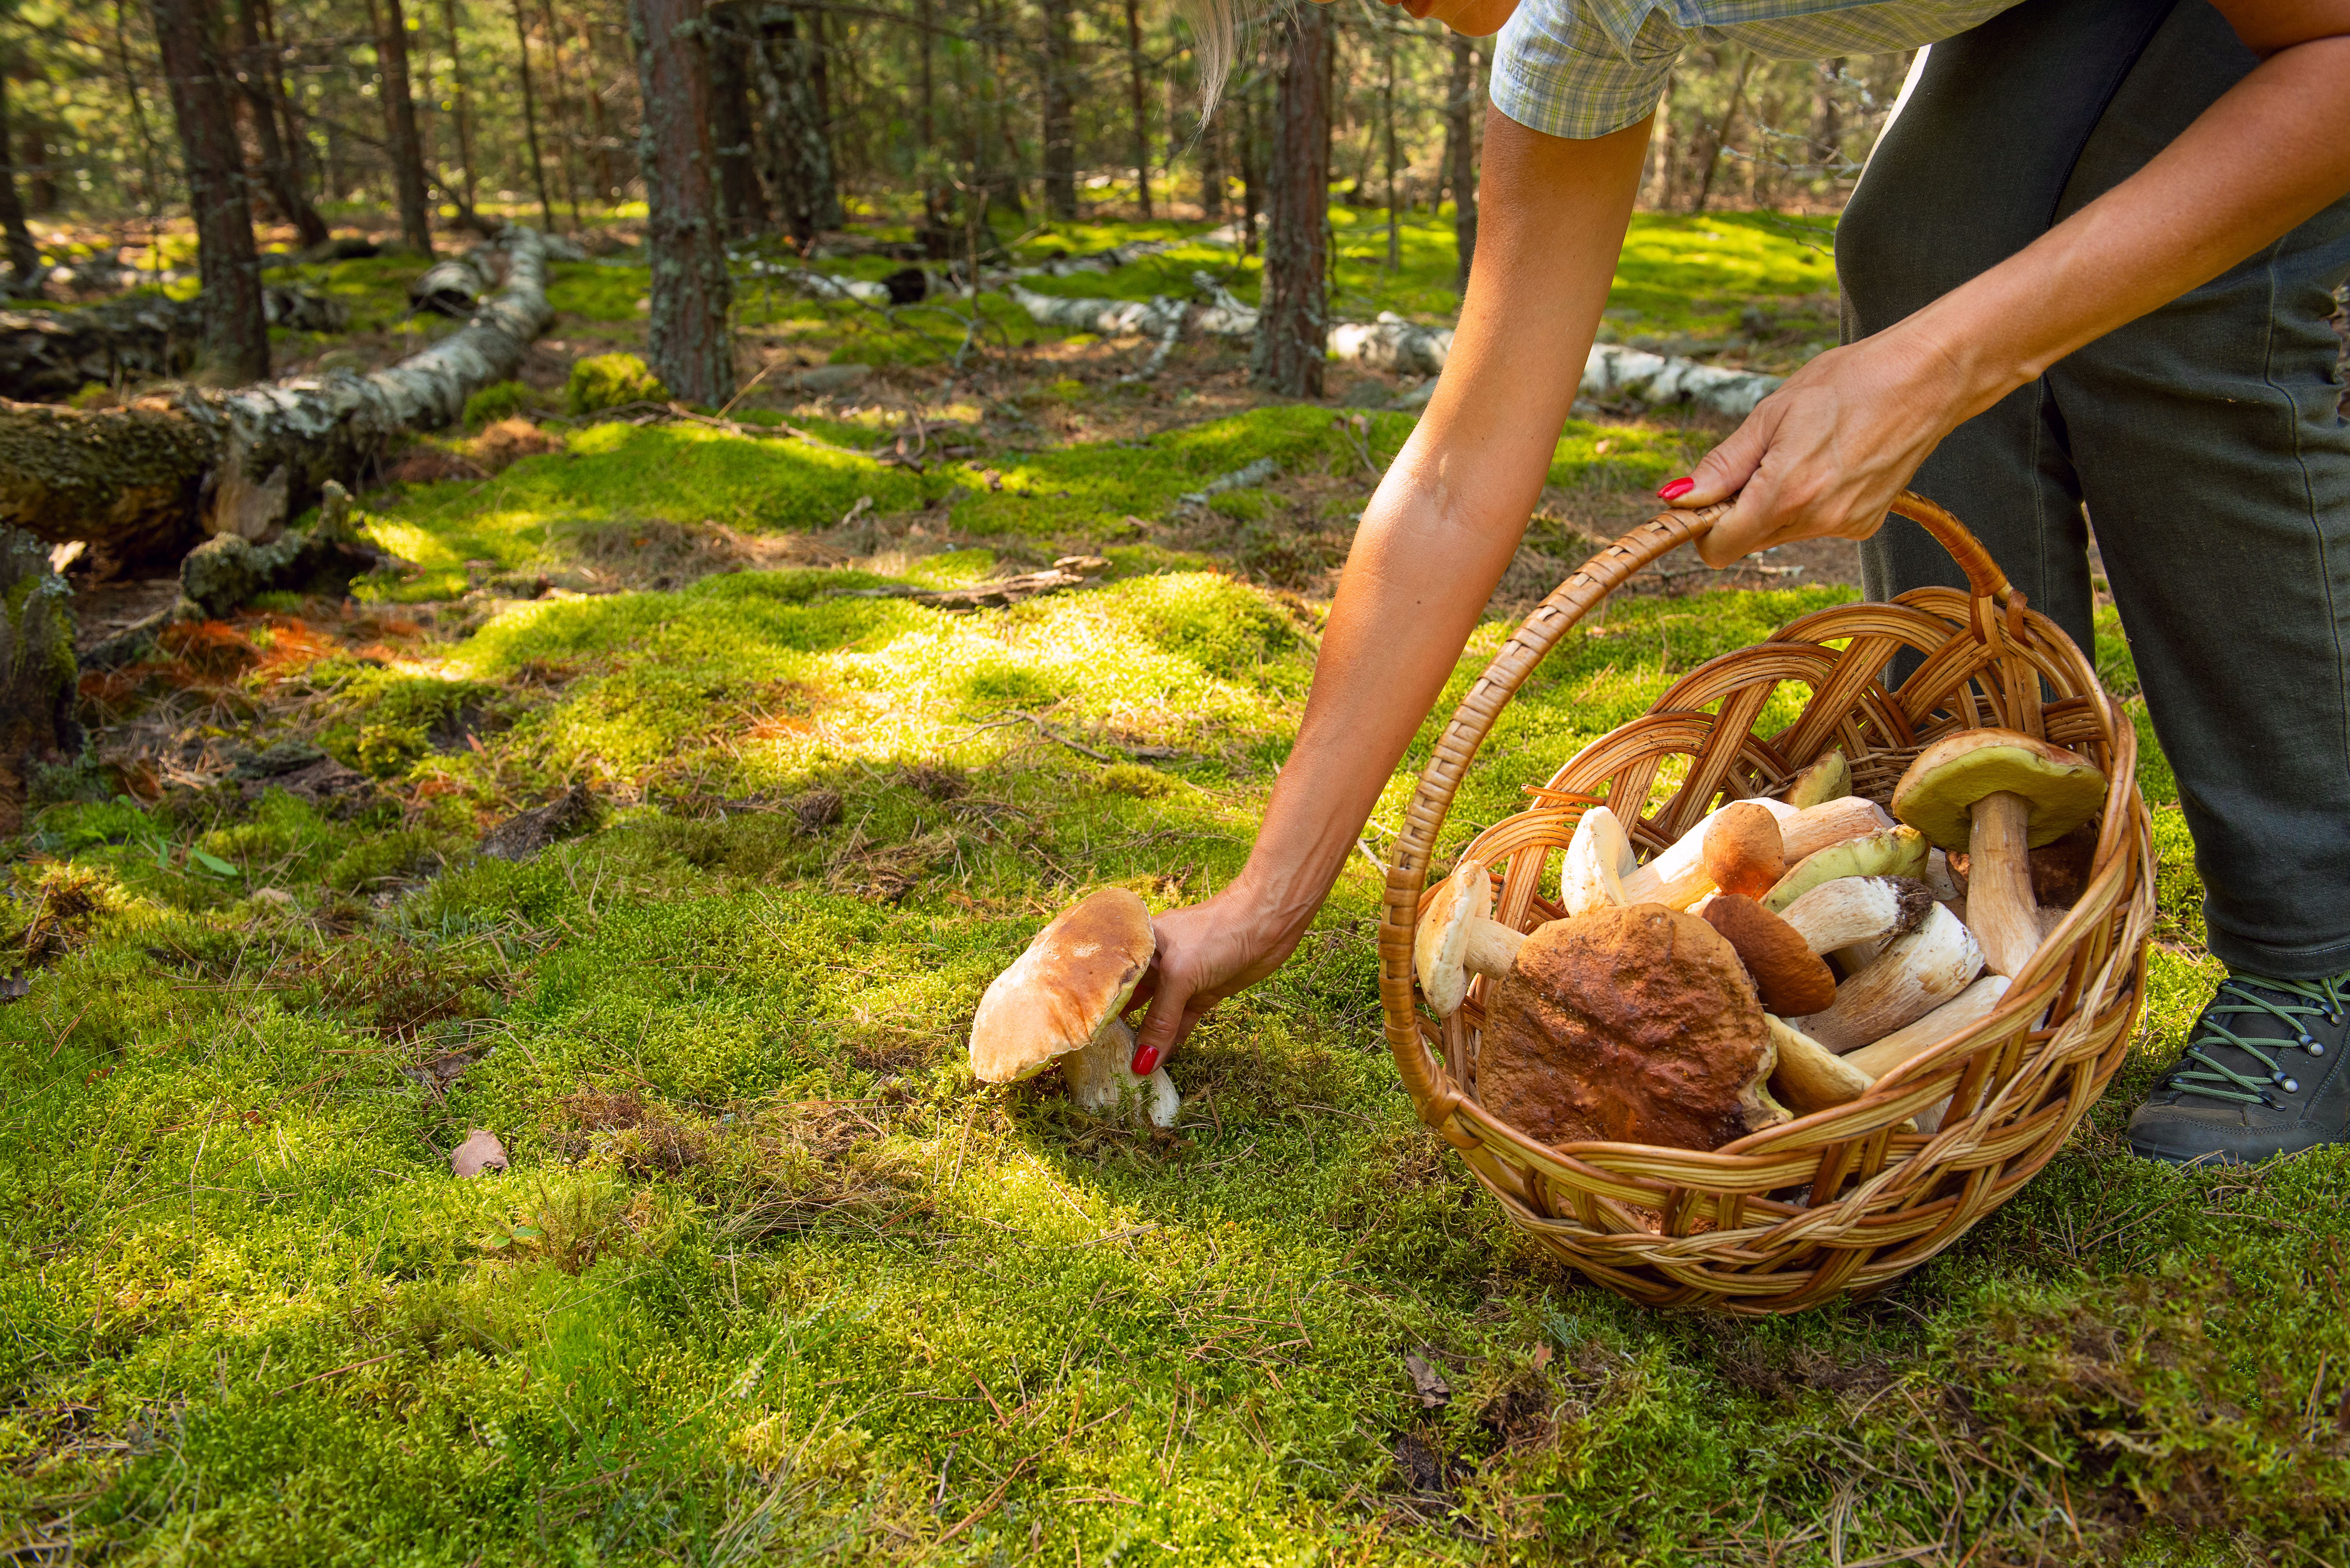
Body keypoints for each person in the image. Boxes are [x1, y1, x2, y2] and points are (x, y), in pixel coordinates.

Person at [1134, 0, 2350, 1165]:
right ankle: (1996, 889)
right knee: (1921, 254)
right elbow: (1459, 470)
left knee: (2185, 313)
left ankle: (2320, 943)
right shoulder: (1582, 26)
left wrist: (1936, 372)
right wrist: (1267, 900)